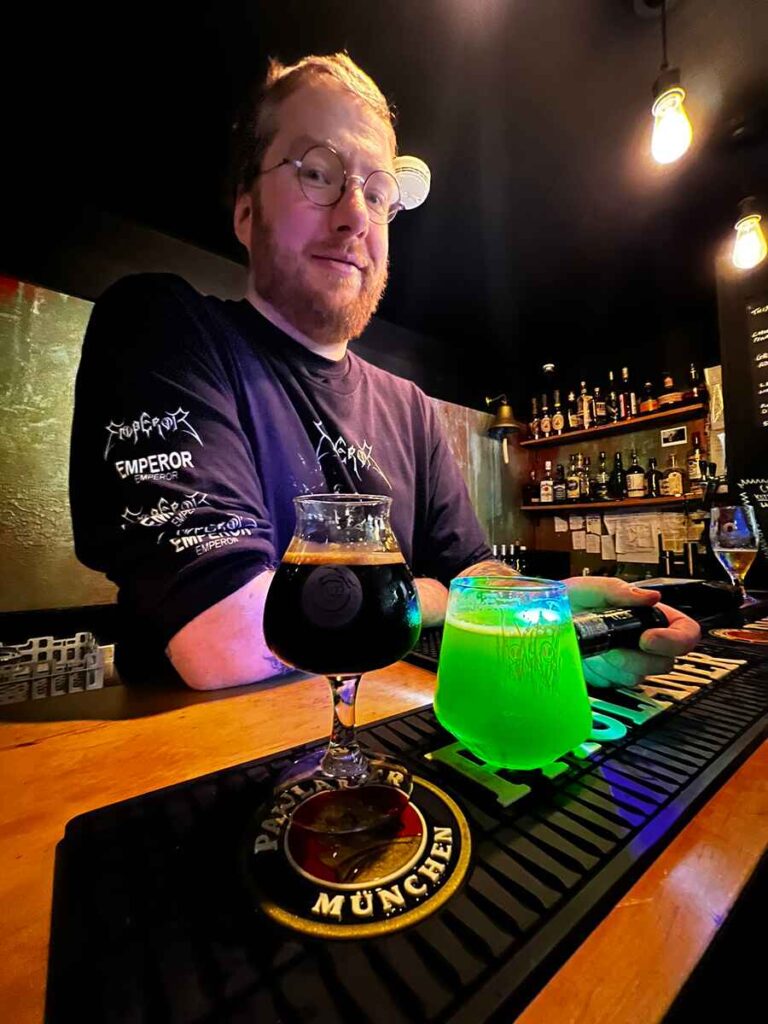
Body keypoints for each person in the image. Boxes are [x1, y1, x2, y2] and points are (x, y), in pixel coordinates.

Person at [69, 52, 699, 690]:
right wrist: (430, 596)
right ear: (246, 211)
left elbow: (475, 577)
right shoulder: (163, 329)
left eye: (377, 192)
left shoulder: (410, 407)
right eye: (317, 173)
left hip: (387, 757)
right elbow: (227, 638)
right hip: (202, 772)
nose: (355, 217)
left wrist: (555, 621)